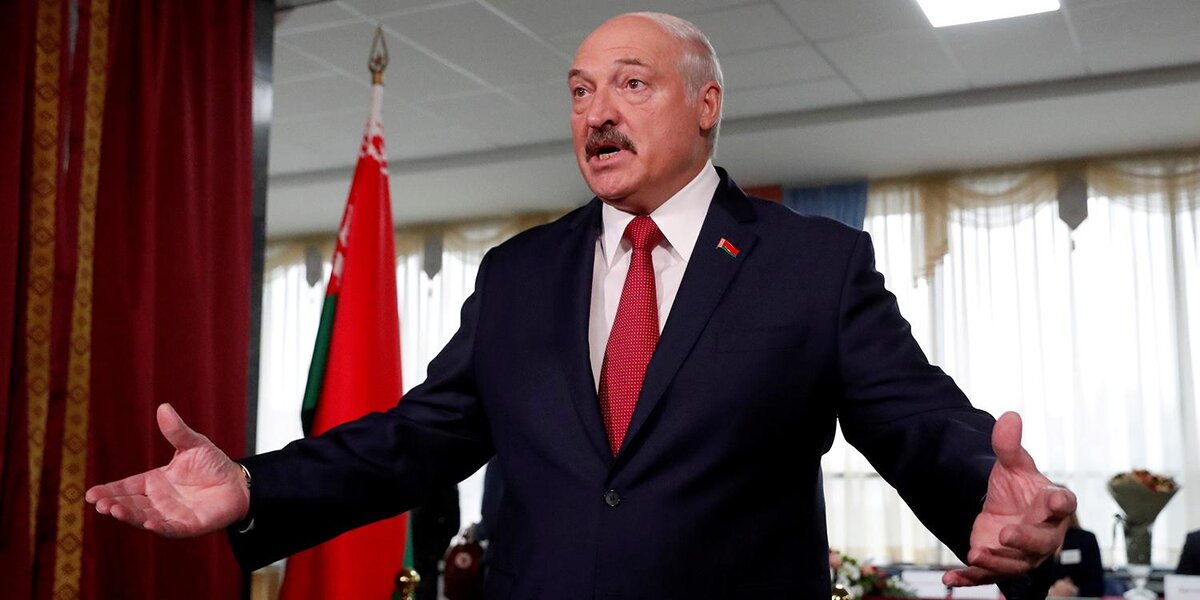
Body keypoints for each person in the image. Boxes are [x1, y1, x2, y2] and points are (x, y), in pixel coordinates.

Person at [85, 12, 1075, 598]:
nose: (596, 111)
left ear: (706, 104)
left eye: (631, 84)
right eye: (578, 91)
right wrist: (255, 485)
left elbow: (909, 414)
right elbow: (417, 438)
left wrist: (981, 495)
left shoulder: (812, 263)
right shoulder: (519, 273)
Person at [1046, 512, 1104, 597]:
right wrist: (1051, 591)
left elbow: (1098, 586)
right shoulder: (1037, 541)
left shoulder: (1086, 539)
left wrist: (1074, 591)